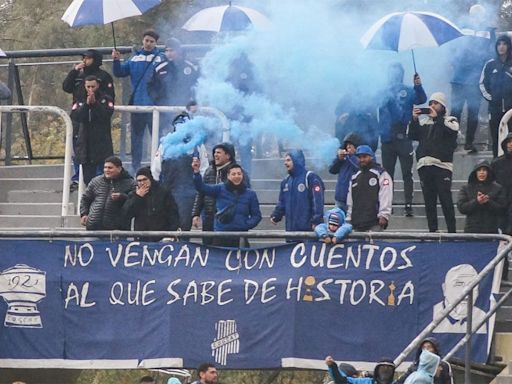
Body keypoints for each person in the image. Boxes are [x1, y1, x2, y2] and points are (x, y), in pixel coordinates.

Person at [112, 29, 165, 173]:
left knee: (158, 137)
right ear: (143, 40)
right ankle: (136, 167)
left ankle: (159, 166)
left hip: (155, 105)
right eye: (146, 40)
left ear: (156, 43)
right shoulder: (134, 58)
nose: (148, 44)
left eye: (151, 41)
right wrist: (116, 60)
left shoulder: (161, 58)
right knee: (137, 139)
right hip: (137, 104)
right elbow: (119, 72)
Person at [379, 63, 427, 217]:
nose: (394, 75)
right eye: (391, 72)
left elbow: (421, 99)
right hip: (387, 139)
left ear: (401, 74)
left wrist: (418, 86)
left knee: (407, 173)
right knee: (387, 174)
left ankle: (408, 204)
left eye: (397, 72)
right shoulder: (382, 92)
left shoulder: (407, 90)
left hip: (404, 137)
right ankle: (388, 205)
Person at [63, 49, 115, 189]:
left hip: (98, 121)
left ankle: (101, 180)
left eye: (89, 58)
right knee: (77, 147)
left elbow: (109, 102)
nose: (85, 60)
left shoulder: (104, 77)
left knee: (98, 154)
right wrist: (74, 71)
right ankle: (77, 177)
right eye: (84, 57)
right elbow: (66, 87)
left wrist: (95, 103)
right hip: (80, 114)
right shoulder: (79, 75)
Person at [409, 92, 459, 233]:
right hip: (424, 165)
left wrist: (437, 119)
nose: (432, 106)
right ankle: (433, 230)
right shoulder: (424, 122)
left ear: (442, 106)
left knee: (445, 199)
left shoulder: (450, 120)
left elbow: (452, 133)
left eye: (435, 103)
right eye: (430, 103)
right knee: (429, 201)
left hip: (442, 166)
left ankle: (452, 232)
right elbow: (412, 135)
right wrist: (414, 119)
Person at [451, 5, 495, 154]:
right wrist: (455, 63)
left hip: (476, 80)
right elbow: (453, 48)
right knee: (455, 112)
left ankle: (469, 143)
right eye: (474, 14)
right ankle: (451, 141)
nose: (476, 17)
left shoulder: (489, 31)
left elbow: (491, 53)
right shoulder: (461, 28)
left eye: (479, 15)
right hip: (458, 78)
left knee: (473, 113)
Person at [192, 161, 261, 248]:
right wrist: (196, 172)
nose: (237, 176)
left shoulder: (251, 194)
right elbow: (201, 188)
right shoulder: (220, 189)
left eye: (239, 174)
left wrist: (246, 225)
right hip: (221, 235)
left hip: (241, 236)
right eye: (234, 174)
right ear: (228, 176)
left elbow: (257, 216)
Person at [191, 142, 249, 245]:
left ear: (228, 155)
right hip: (209, 217)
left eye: (219, 153)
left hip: (229, 221)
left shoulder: (238, 173)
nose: (215, 155)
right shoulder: (209, 171)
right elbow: (201, 193)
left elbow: (245, 196)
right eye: (214, 153)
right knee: (209, 249)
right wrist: (196, 214)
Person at [71, 75, 115, 184]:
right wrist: (86, 105)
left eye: (93, 86)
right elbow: (76, 116)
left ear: (98, 86)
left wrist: (95, 104)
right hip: (86, 147)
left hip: (102, 145)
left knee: (104, 180)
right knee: (89, 182)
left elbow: (106, 115)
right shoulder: (79, 100)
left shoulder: (106, 99)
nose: (90, 89)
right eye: (88, 86)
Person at [270, 150, 325, 233]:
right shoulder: (286, 181)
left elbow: (317, 201)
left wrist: (316, 221)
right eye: (285, 161)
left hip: (307, 231)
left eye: (288, 160)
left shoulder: (310, 177)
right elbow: (282, 202)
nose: (285, 163)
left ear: (297, 161)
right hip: (290, 230)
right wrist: (276, 215)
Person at [122, 167, 180, 240]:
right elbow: (126, 214)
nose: (142, 183)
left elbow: (173, 214)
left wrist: (170, 234)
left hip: (161, 237)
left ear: (150, 179)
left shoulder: (163, 192)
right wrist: (137, 197)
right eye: (139, 181)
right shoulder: (133, 194)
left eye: (145, 179)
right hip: (141, 237)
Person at [80, 156, 135, 230]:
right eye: (105, 167)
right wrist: (84, 214)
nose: (106, 170)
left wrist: (122, 197)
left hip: (117, 231)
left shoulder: (130, 183)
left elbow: (134, 202)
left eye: (110, 168)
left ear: (119, 169)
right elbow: (85, 199)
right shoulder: (96, 181)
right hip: (93, 228)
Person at [346, 145, 393, 232]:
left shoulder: (381, 173)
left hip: (374, 222)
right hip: (357, 222)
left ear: (371, 157)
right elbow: (350, 200)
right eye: (359, 157)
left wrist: (384, 215)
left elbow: (386, 194)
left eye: (365, 157)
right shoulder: (354, 177)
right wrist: (349, 218)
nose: (362, 159)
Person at [480, 34, 512, 157]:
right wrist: (491, 98)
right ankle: (496, 164)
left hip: (511, 110)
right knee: (496, 138)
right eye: (499, 44)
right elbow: (482, 84)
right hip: (495, 109)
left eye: (504, 44)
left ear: (509, 46)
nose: (501, 47)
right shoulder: (490, 64)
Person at [433, 264, 487, 334]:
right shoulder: (434, 314)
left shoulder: (482, 317)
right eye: (459, 284)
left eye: (472, 285)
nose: (466, 293)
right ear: (445, 288)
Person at [457, 159, 506, 234]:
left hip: (491, 231)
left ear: (488, 172)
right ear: (475, 172)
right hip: (471, 230)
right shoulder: (466, 188)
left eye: (484, 170)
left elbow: (502, 209)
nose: (482, 172)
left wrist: (488, 201)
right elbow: (462, 208)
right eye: (479, 170)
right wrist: (476, 201)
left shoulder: (498, 188)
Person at [491, 133, 512, 279]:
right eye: (508, 142)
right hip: (501, 209)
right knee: (502, 241)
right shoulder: (496, 163)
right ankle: (502, 275)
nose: (510, 144)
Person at [328, 133, 360, 212]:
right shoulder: (343, 159)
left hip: (354, 200)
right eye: (347, 145)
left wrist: (351, 156)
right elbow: (332, 170)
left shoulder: (359, 159)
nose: (348, 147)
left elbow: (358, 168)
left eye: (351, 145)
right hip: (340, 199)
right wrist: (339, 159)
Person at [326, 355, 396, 384]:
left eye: (389, 368)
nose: (385, 371)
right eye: (383, 368)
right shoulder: (365, 382)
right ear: (377, 370)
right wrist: (332, 366)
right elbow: (342, 381)